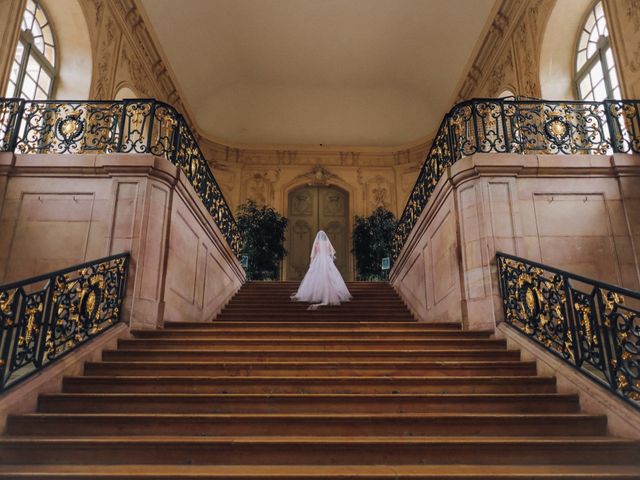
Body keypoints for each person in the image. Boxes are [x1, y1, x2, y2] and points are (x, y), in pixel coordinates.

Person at [291, 230, 352, 309]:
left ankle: (316, 295)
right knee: (329, 277)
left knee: (316, 277)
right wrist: (330, 260)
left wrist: (312, 264)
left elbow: (313, 254)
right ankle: (329, 294)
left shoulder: (317, 243)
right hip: (327, 260)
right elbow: (331, 253)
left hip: (318, 260)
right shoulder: (327, 243)